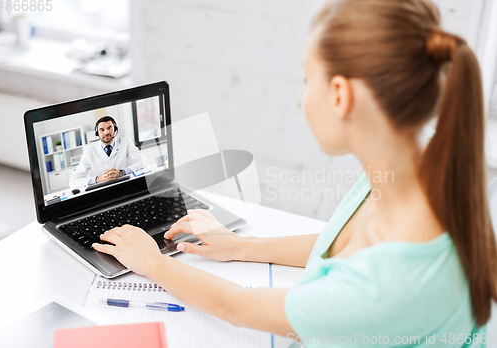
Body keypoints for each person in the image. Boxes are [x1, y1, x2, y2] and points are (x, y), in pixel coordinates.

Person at [92, 0, 497, 346]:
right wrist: (241, 247)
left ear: (340, 95)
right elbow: (339, 243)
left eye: (308, 79)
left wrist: (153, 262)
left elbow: (234, 307)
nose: (303, 97)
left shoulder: (386, 283)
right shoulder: (419, 161)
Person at [69, 116, 148, 189]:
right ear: (97, 133)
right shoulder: (89, 152)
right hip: (101, 191)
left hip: (124, 186)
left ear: (115, 129)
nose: (106, 132)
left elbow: (143, 162)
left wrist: (122, 172)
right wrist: (98, 179)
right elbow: (74, 181)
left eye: (109, 128)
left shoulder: (126, 142)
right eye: (102, 130)